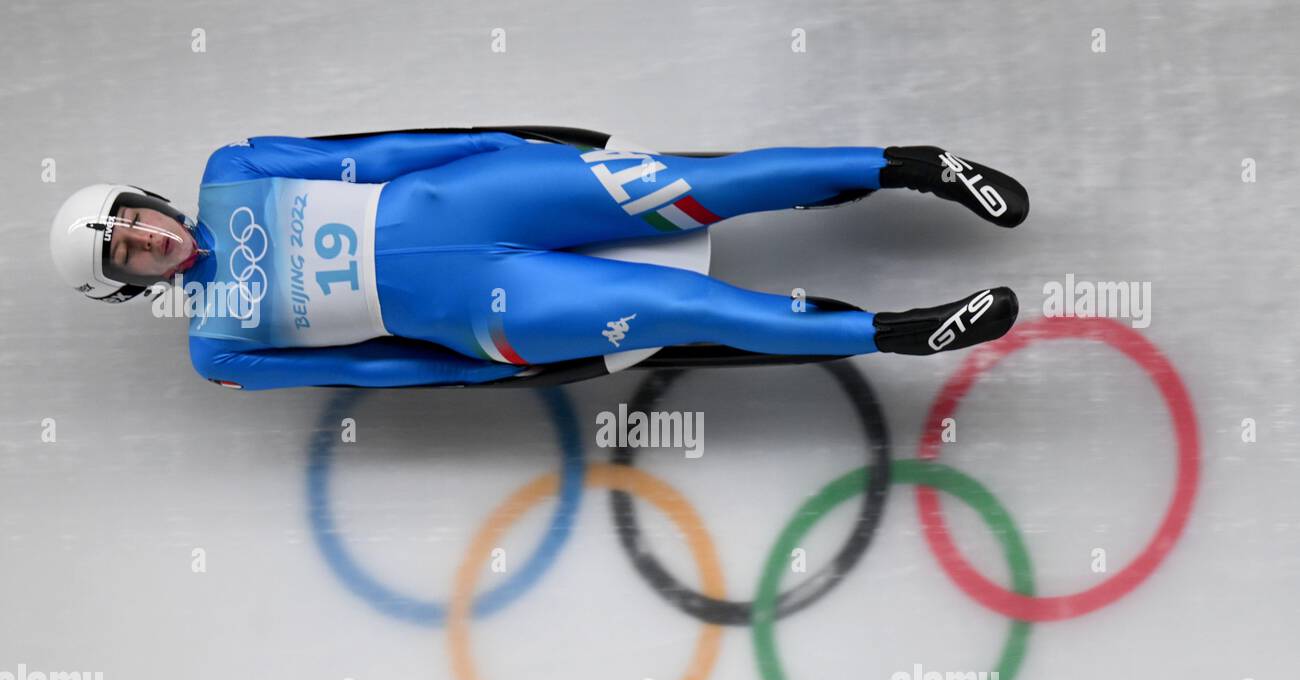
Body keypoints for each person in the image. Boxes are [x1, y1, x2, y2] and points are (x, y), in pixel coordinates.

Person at [48, 129, 1029, 390]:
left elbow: (376, 152)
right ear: (132, 286)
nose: (148, 238)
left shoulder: (232, 168)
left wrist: (495, 145)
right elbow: (368, 367)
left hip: (480, 192)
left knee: (705, 181)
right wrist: (476, 369)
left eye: (135, 218)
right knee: (688, 307)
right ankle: (899, 333)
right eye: (131, 255)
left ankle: (908, 164)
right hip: (488, 308)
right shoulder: (218, 347)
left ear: (150, 201)